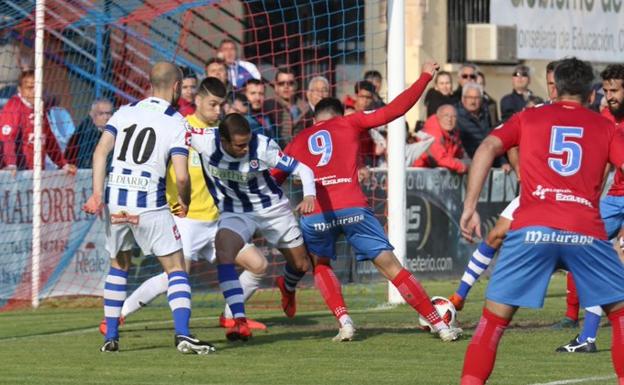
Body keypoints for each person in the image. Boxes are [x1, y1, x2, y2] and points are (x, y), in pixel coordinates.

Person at [458, 57, 624, 384]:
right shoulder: (605, 127)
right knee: (620, 317)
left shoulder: (528, 117)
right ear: (591, 95)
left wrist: (470, 206)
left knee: (492, 323)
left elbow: (487, 147)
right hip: (584, 231)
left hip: (532, 228)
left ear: (556, 88)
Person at [272, 61, 463, 343]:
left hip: (317, 213)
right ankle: (440, 326)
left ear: (315, 119)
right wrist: (424, 75)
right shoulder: (351, 121)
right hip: (353, 207)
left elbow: (273, 178)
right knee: (390, 266)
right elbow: (395, 109)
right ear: (341, 114)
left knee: (321, 264)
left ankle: (344, 321)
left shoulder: (299, 140)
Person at [97, 77, 268, 335]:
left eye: (221, 105)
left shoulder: (220, 135)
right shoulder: (178, 125)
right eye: (213, 104)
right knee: (174, 277)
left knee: (258, 265)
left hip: (216, 222)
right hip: (185, 221)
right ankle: (119, 314)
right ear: (197, 100)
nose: (218, 110)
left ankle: (231, 316)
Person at [83, 61, 215, 354]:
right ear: (177, 87)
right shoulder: (176, 121)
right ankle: (182, 334)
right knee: (176, 267)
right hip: (150, 204)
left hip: (117, 200)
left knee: (119, 265)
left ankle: (111, 337)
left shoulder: (125, 111)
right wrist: (185, 200)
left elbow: (100, 151)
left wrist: (96, 194)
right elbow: (181, 175)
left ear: (150, 83)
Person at [188, 112, 316, 341]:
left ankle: (287, 286)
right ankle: (238, 321)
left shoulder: (263, 146)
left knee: (301, 264)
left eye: (247, 143)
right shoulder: (204, 140)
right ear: (224, 141)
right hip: (236, 212)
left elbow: (303, 170)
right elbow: (169, 131)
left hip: (272, 211)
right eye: (239, 145)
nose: (245, 149)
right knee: (224, 251)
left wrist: (309, 196)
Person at [556, 63, 624, 353]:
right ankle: (588, 337)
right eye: (606, 90)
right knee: (583, 249)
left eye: (615, 90)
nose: (610, 96)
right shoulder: (605, 116)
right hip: (614, 197)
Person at [0, 70, 75, 174]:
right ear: (19, 89)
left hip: (37, 172)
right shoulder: (14, 106)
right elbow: (7, 139)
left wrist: (63, 164)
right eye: (30, 88)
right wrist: (11, 164)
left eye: (37, 87)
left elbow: (49, 139)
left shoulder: (39, 107)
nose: (34, 91)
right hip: (18, 174)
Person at [412, 104, 466, 174]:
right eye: (446, 115)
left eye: (453, 117)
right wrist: (463, 167)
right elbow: (440, 159)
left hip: (437, 177)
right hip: (420, 176)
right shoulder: (431, 133)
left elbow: (460, 155)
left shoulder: (453, 134)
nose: (449, 119)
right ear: (438, 117)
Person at [263, 67, 306, 147]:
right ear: (276, 86)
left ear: (296, 85)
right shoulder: (267, 106)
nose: (286, 86)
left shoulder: (305, 108)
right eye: (281, 83)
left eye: (290, 83)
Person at [65, 99, 113, 168]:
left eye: (109, 113)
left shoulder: (113, 131)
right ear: (92, 115)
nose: (106, 117)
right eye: (101, 114)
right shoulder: (86, 132)